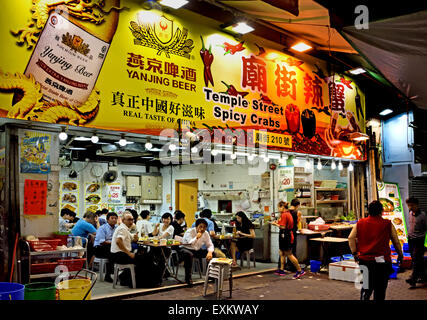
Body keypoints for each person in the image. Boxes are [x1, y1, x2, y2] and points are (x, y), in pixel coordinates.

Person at [348, 200, 404, 300]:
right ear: (381, 211)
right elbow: (396, 241)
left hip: (365, 261)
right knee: (380, 289)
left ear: (368, 211)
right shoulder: (387, 224)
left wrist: (355, 254)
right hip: (381, 262)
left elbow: (351, 238)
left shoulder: (360, 223)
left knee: (366, 286)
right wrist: (400, 254)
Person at [271, 201, 305, 279]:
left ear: (283, 207)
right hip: (284, 235)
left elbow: (283, 227)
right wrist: (277, 222)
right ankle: (281, 269)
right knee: (281, 252)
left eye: (279, 207)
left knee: (289, 254)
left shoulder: (285, 214)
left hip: (286, 235)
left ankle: (299, 270)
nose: (278, 209)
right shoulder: (285, 214)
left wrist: (275, 224)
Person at [180, 218, 214, 285]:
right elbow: (190, 243)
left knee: (213, 253)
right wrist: (197, 237)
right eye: (200, 227)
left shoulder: (206, 233)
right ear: (196, 226)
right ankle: (188, 279)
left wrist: (210, 252)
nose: (202, 229)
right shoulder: (189, 231)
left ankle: (211, 275)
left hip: (197, 250)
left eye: (204, 227)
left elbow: (210, 244)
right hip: (186, 248)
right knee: (188, 255)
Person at [110, 212, 140, 286]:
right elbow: (118, 241)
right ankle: (133, 281)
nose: (131, 222)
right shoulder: (122, 229)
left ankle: (125, 278)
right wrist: (129, 253)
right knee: (144, 259)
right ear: (123, 220)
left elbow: (132, 239)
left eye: (132, 220)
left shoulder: (125, 228)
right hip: (119, 256)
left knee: (142, 257)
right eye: (129, 220)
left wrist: (135, 238)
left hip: (117, 255)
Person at [405, 197, 427, 288]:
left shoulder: (423, 215)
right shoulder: (410, 213)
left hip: (419, 240)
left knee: (416, 259)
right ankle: (424, 278)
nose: (410, 207)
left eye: (412, 205)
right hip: (411, 239)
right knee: (418, 259)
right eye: (409, 205)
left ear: (417, 205)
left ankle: (412, 279)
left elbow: (426, 228)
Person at [94, 212, 118, 282]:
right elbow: (102, 242)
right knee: (112, 252)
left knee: (119, 252)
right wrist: (114, 243)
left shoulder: (117, 228)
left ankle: (119, 273)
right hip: (99, 248)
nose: (114, 220)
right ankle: (108, 275)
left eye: (115, 218)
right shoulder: (102, 228)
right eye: (112, 218)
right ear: (107, 220)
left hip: (111, 246)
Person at [286, 199, 302, 272]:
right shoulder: (297, 212)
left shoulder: (286, 211)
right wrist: (300, 229)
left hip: (285, 232)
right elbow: (298, 222)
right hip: (293, 232)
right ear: (297, 205)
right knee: (293, 250)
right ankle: (293, 267)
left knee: (285, 250)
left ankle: (285, 266)